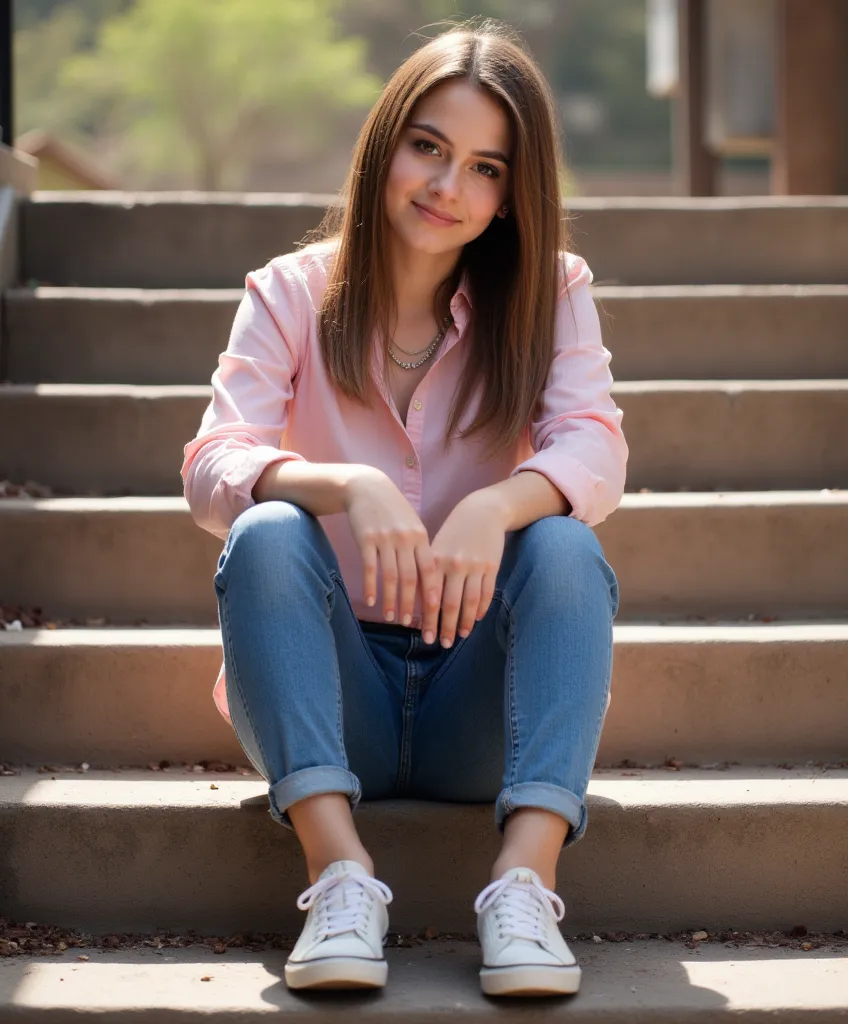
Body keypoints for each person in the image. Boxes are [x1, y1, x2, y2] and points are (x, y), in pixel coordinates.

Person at [181, 19, 627, 998]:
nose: (445, 187)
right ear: (385, 143)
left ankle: (523, 883)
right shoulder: (290, 293)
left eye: (483, 168)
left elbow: (593, 446)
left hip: (479, 698)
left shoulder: (551, 292)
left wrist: (497, 505)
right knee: (264, 529)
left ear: (512, 195)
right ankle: (339, 874)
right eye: (427, 148)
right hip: (328, 699)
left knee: (558, 543)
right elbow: (214, 460)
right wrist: (342, 483)